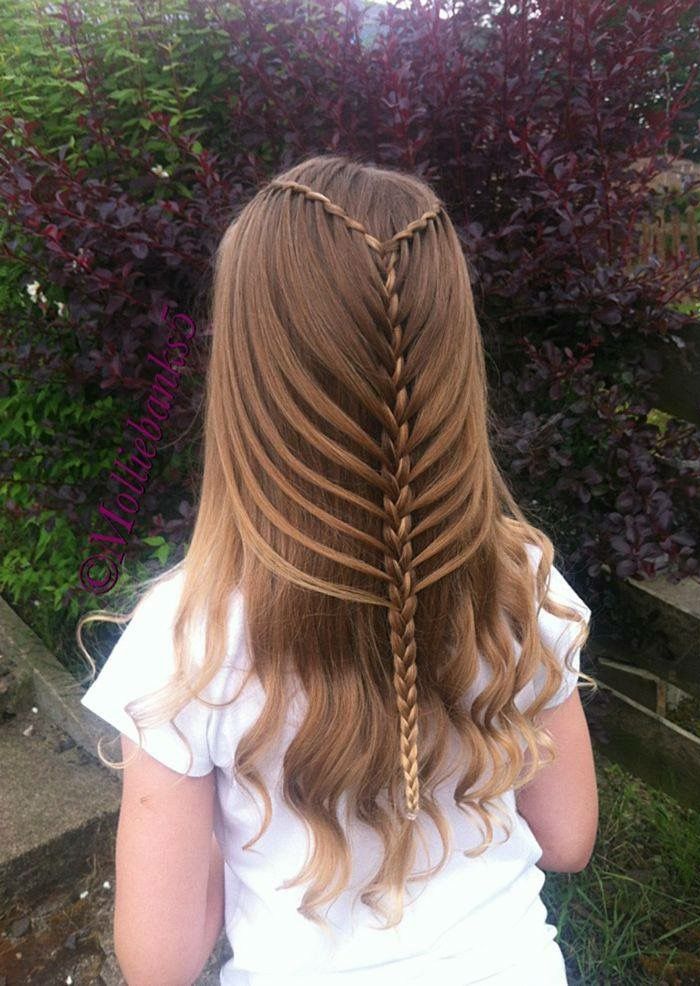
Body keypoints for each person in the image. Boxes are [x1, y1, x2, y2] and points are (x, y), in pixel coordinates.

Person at [78, 154, 598, 986]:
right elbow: (567, 838)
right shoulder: (519, 580)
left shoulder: (189, 636)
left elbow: (159, 961)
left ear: (247, 380)